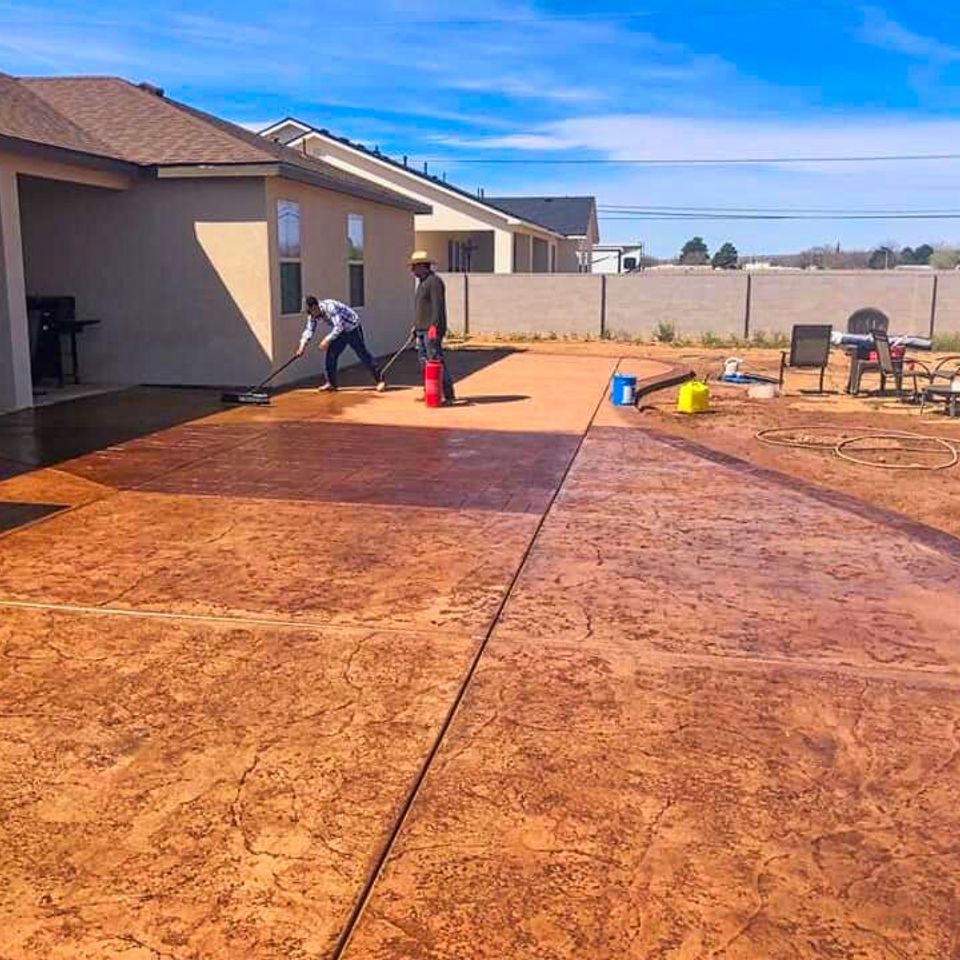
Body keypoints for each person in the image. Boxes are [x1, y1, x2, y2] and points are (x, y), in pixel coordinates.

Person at [296, 295, 385, 392]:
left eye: (309, 311)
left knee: (362, 353)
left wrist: (327, 340)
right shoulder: (313, 315)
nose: (309, 315)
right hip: (341, 331)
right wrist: (302, 346)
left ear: (314, 307)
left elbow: (339, 326)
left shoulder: (330, 307)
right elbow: (309, 330)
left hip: (352, 327)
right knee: (331, 354)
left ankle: (380, 380)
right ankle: (331, 384)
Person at [410, 251, 455, 404]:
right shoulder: (422, 283)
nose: (413, 270)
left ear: (424, 266)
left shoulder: (434, 282)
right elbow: (421, 308)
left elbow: (438, 307)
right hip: (421, 329)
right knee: (424, 362)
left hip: (431, 330)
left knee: (435, 360)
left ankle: (447, 394)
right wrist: (415, 326)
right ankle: (430, 391)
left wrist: (434, 327)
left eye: (415, 266)